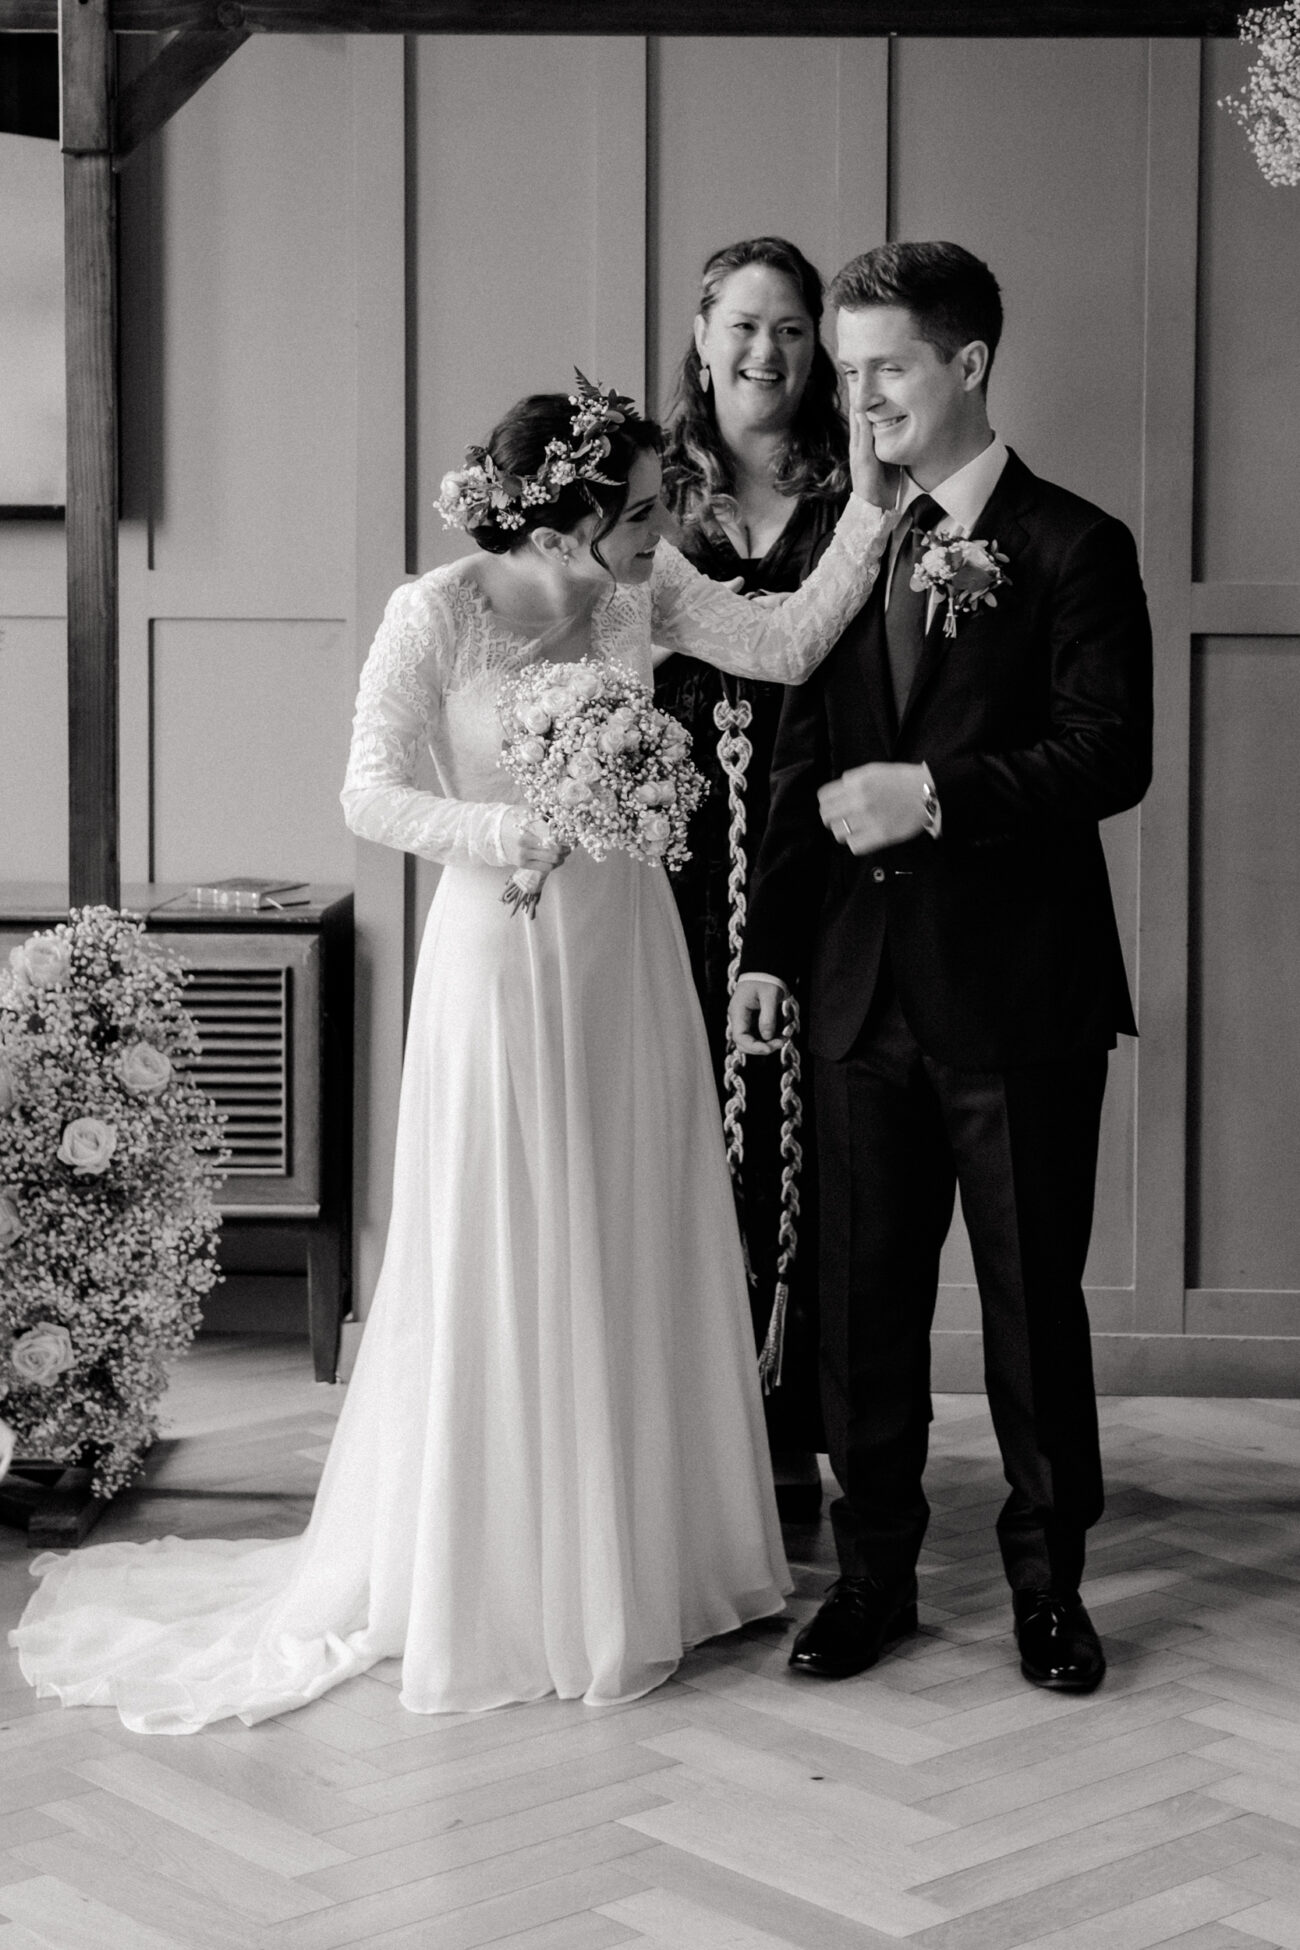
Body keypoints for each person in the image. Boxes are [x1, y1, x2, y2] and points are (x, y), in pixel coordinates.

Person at [11, 377, 891, 1733]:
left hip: (627, 959)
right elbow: (368, 789)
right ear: (557, 526)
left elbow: (782, 643)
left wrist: (874, 513)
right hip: (499, 953)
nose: (662, 532)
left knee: (626, 1223)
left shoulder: (643, 594)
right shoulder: (435, 612)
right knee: (505, 1229)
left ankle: (644, 1561)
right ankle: (500, 1574)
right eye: (639, 513)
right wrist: (503, 831)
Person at [730, 242, 1153, 1695]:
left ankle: (1050, 1588)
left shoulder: (1075, 544)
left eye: (886, 367)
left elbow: (1110, 752)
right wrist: (769, 952)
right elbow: (797, 766)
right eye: (846, 371)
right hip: (854, 995)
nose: (858, 398)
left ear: (967, 364)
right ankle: (873, 1579)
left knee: (1032, 1306)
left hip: (1020, 994)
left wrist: (935, 794)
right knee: (862, 1313)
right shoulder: (840, 545)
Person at [657, 237, 850, 1524]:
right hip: (672, 860)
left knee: (813, 1137)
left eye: (789, 327)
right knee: (677, 1127)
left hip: (817, 850)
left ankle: (790, 1425)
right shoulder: (646, 493)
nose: (764, 352)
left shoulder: (858, 488)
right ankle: (682, 1431)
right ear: (701, 332)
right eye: (743, 324)